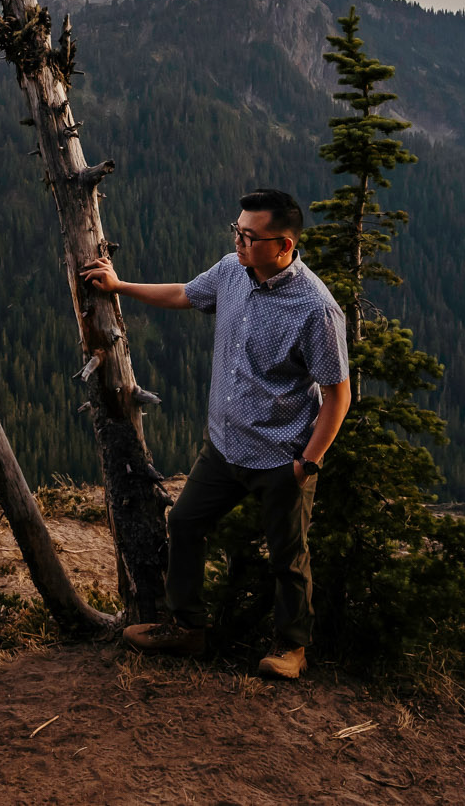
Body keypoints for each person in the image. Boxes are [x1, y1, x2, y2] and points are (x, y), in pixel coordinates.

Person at [79, 188, 349, 680]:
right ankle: (188, 629)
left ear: (284, 246)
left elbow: (337, 396)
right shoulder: (231, 271)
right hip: (224, 447)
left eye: (250, 235)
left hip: (280, 455)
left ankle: (292, 649)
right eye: (237, 231)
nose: (239, 241)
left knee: (288, 556)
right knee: (184, 523)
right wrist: (119, 287)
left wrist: (308, 461)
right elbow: (185, 293)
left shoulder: (316, 309)